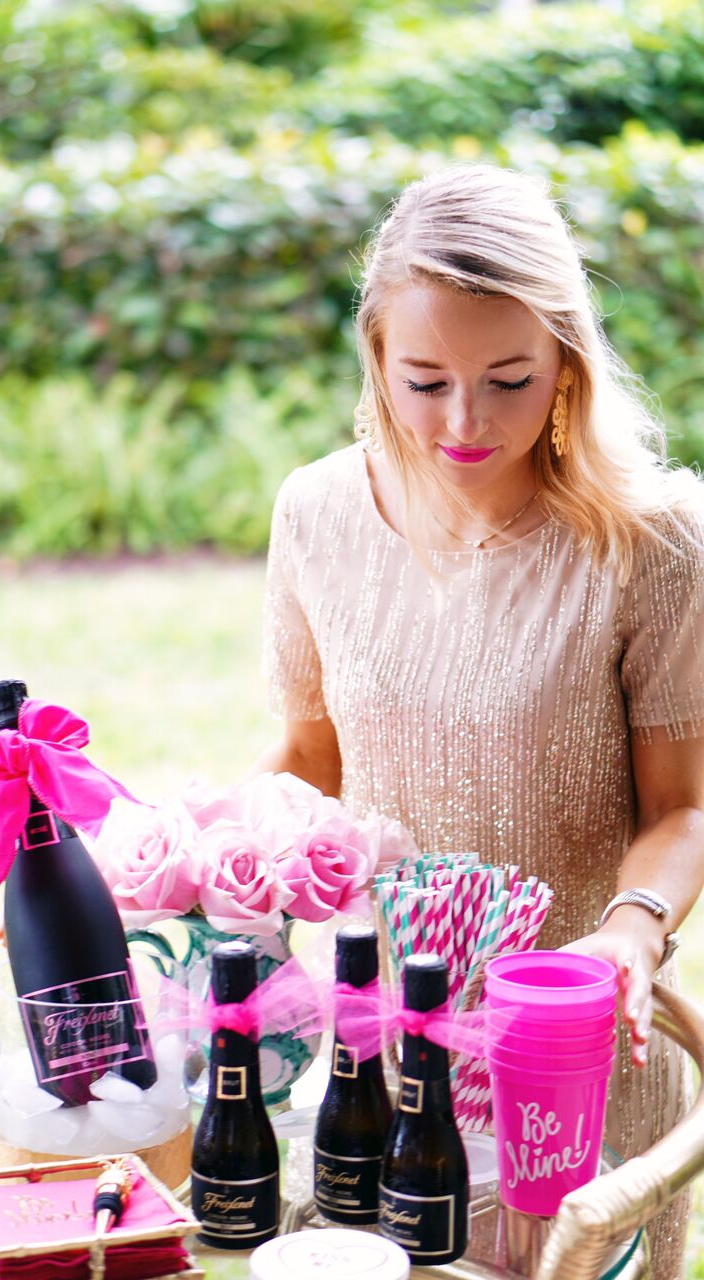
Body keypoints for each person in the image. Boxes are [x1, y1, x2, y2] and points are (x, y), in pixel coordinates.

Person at [257, 163, 704, 1277]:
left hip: (578, 1056)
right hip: (378, 1059)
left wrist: (631, 931)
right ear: (375, 359)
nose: (464, 420)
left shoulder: (652, 542)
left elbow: (682, 807)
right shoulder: (315, 511)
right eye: (424, 379)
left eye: (508, 377)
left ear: (566, 362)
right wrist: (237, 845)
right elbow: (309, 759)